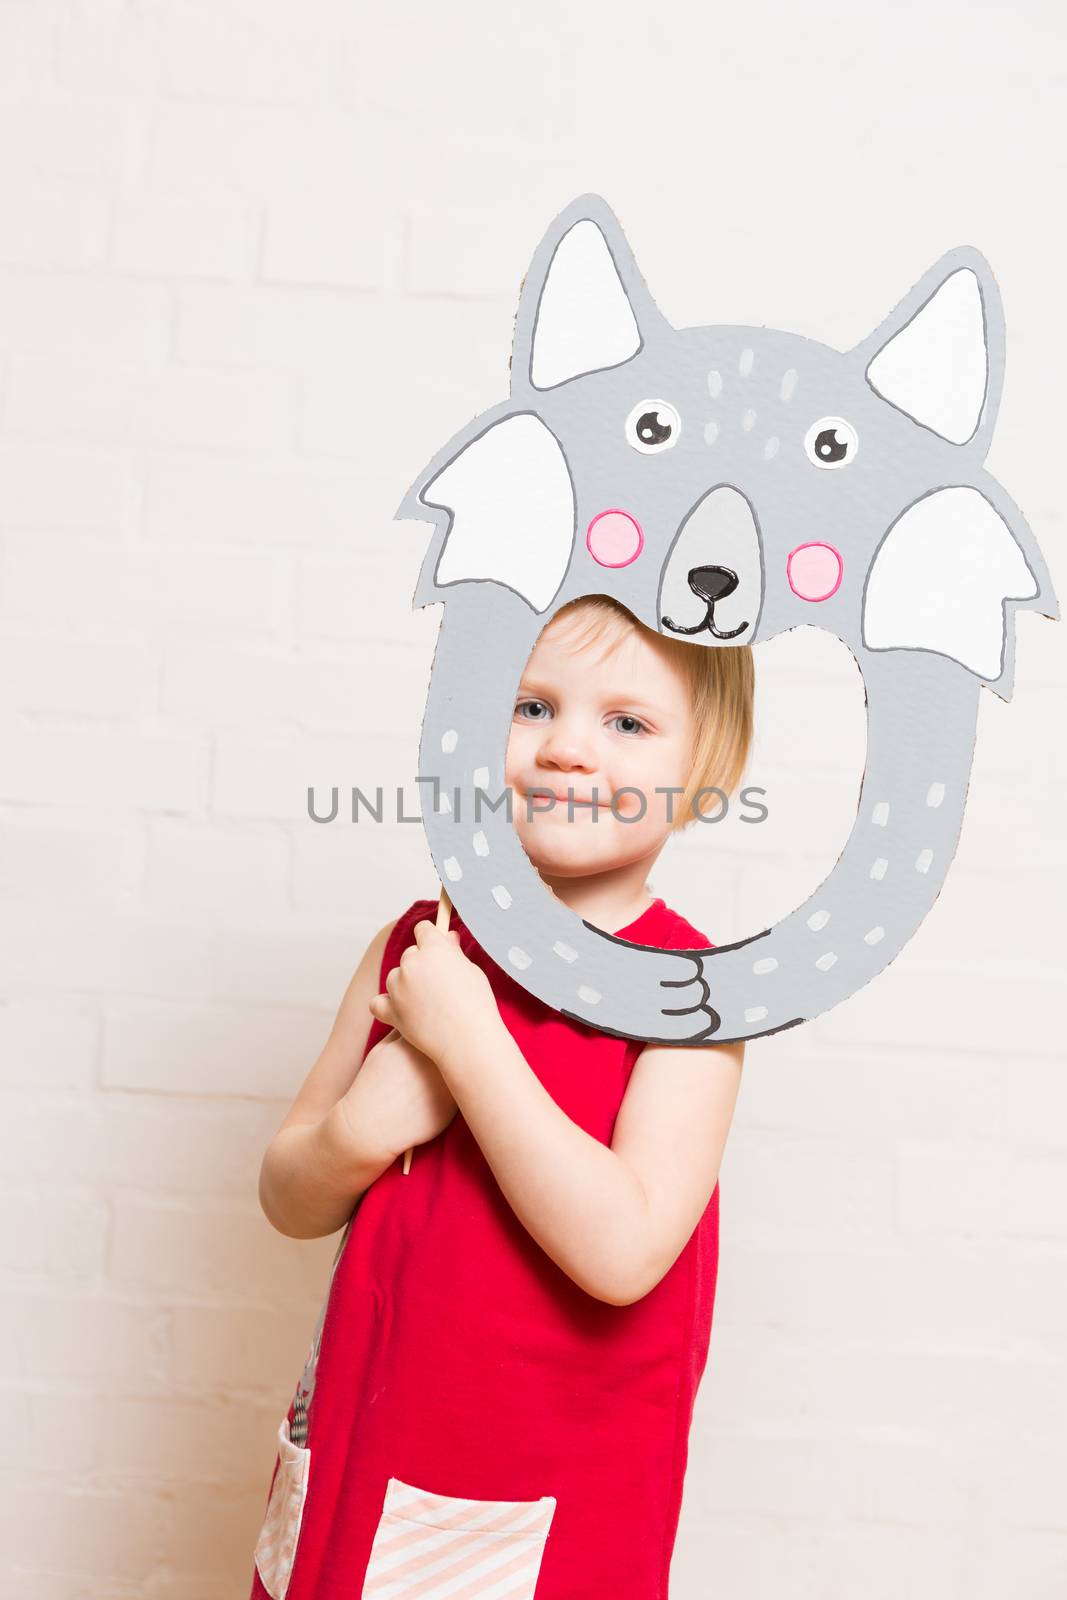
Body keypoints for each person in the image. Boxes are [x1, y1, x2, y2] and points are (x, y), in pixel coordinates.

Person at [248, 595, 753, 1600]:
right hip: (360, 1426)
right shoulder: (415, 946)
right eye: (528, 707)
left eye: (625, 722)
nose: (566, 748)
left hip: (549, 1477)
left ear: (701, 777)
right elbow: (286, 1195)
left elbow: (621, 1252)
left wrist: (470, 1047)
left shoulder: (689, 1001)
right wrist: (359, 1131)